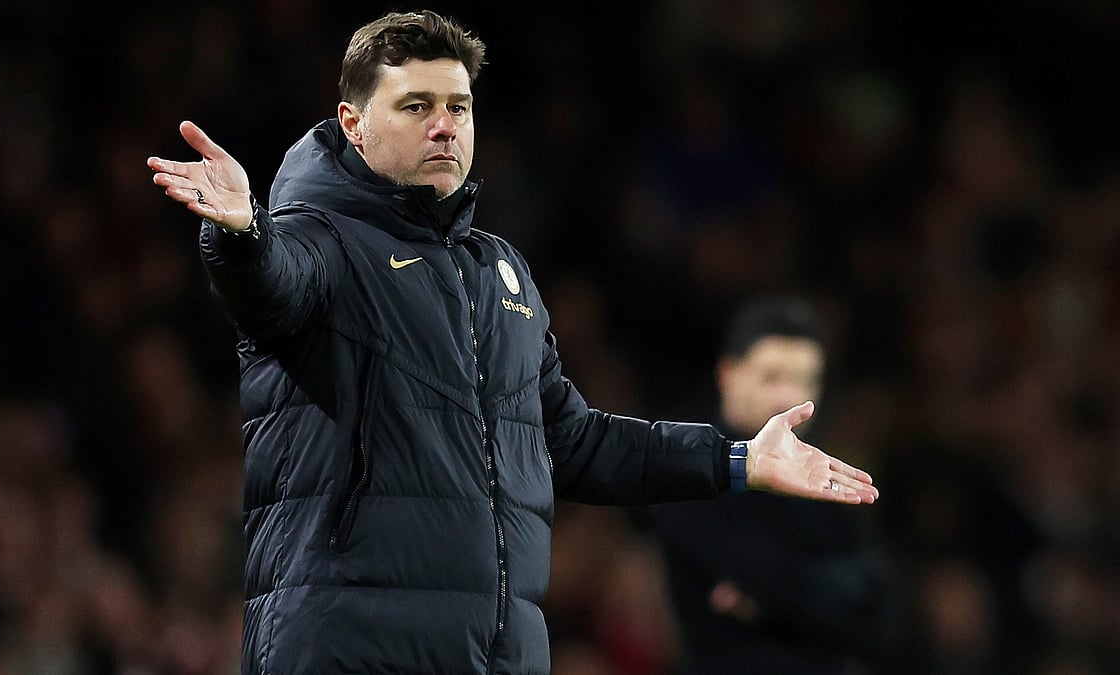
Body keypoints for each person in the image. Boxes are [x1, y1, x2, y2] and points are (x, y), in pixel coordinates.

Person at [146, 11, 879, 674]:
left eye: (458, 107)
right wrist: (241, 231)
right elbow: (271, 283)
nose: (444, 126)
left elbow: (574, 441)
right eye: (416, 106)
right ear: (354, 123)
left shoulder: (500, 272)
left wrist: (738, 458)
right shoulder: (320, 238)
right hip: (349, 649)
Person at [646, 294, 899, 674]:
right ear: (728, 375)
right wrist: (837, 587)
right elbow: (783, 583)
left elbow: (883, 614)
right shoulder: (689, 469)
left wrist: (778, 601)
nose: (789, 397)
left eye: (805, 380)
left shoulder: (826, 475)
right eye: (772, 377)